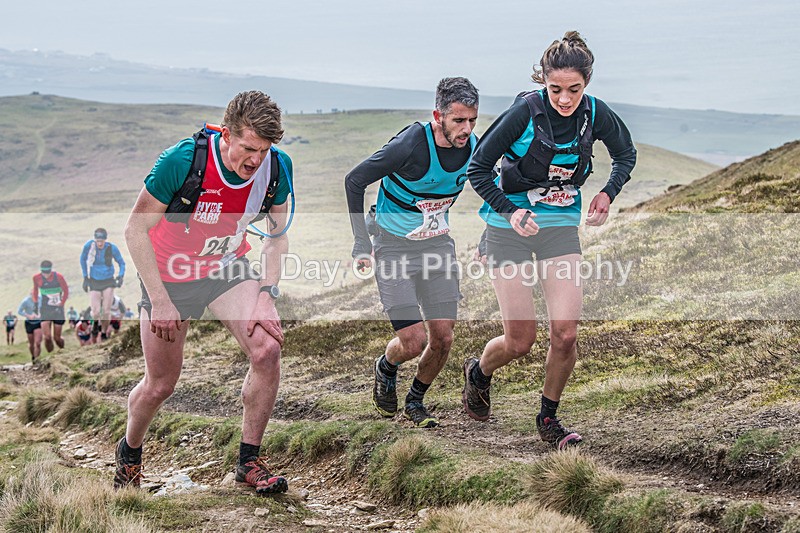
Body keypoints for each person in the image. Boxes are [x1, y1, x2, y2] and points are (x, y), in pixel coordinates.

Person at [463, 31, 636, 449]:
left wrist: (607, 193)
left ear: (587, 83)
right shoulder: (524, 112)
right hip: (509, 233)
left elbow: (625, 154)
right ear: (543, 81)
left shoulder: (595, 113)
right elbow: (478, 168)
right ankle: (479, 373)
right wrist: (511, 210)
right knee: (520, 341)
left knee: (566, 334)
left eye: (574, 89)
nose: (564, 99)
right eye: (555, 89)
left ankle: (548, 418)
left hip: (559, 229)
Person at [116, 90, 293, 495]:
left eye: (264, 151)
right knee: (161, 384)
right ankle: (129, 452)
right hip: (169, 276)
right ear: (226, 134)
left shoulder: (277, 168)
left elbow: (276, 237)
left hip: (224, 266)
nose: (255, 160)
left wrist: (266, 293)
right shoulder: (184, 160)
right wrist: (159, 300)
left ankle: (248, 461)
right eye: (248, 148)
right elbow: (135, 229)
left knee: (267, 347)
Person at [345, 78, 479, 429]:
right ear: (438, 115)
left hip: (437, 246)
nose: (466, 130)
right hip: (393, 247)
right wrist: (362, 243)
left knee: (444, 338)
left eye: (472, 121)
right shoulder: (409, 145)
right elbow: (354, 180)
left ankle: (415, 401)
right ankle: (386, 366)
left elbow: (495, 184)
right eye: (458, 121)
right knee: (412, 340)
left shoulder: (475, 147)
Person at [80, 227, 126, 341]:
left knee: (106, 311)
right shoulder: (89, 246)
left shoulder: (111, 248)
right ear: (95, 239)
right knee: (95, 312)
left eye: (101, 241)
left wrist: (120, 276)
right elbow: (82, 259)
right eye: (97, 241)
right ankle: (95, 325)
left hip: (108, 280)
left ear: (105, 239)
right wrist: (85, 277)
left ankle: (104, 333)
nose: (99, 243)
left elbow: (121, 263)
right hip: (94, 280)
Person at [32, 260, 69, 352]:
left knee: (57, 338)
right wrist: (36, 303)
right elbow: (35, 291)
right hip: (45, 308)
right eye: (44, 272)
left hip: (58, 308)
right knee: (47, 337)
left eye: (48, 272)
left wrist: (62, 303)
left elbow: (66, 291)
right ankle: (50, 355)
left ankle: (63, 351)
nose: (46, 275)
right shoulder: (36, 278)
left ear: (51, 270)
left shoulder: (59, 277)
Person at [18, 292, 42, 363]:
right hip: (29, 323)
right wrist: (28, 316)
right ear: (30, 294)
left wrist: (41, 314)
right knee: (31, 343)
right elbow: (19, 311)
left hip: (38, 323)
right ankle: (33, 356)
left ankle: (37, 359)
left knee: (38, 343)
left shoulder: (41, 299)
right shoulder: (26, 301)